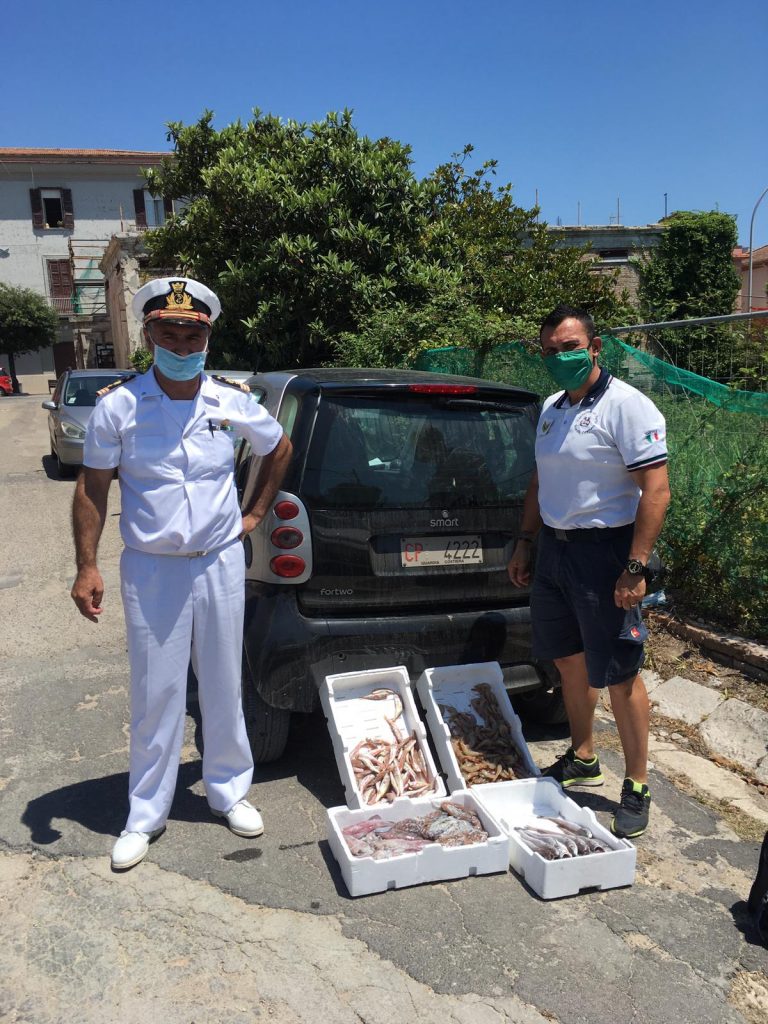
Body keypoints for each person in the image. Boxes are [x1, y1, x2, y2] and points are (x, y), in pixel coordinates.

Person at [71, 277, 292, 870]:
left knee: (223, 680)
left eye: (191, 332)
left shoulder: (230, 400)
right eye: (168, 331)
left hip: (219, 560)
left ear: (207, 338)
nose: (181, 341)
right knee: (157, 691)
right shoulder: (118, 404)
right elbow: (93, 486)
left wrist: (255, 513)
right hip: (153, 568)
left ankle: (228, 791)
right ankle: (145, 814)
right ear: (148, 335)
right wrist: (86, 564)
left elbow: (279, 447)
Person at [508, 304, 670, 839]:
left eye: (571, 347)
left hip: (607, 555)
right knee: (568, 661)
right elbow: (538, 482)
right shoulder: (553, 408)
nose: (562, 357)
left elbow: (656, 490)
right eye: (552, 350)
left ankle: (638, 784)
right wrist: (526, 540)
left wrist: (635, 566)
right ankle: (583, 755)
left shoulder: (628, 407)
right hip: (555, 549)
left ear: (595, 347)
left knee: (620, 674)